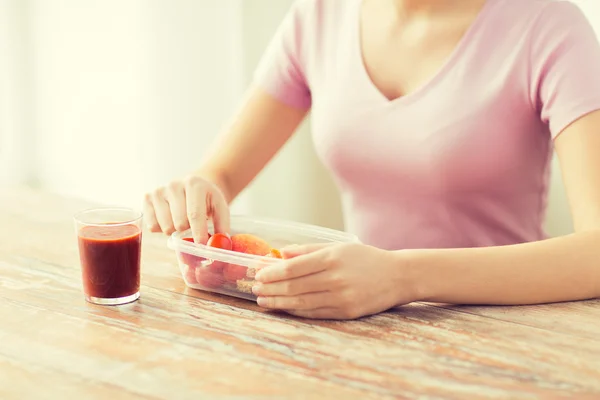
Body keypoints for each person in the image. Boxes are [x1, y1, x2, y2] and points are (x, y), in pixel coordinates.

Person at [144, 0, 600, 320]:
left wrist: (403, 278)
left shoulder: (550, 26)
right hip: (362, 324)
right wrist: (198, 189)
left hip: (509, 323)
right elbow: (220, 174)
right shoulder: (319, 16)